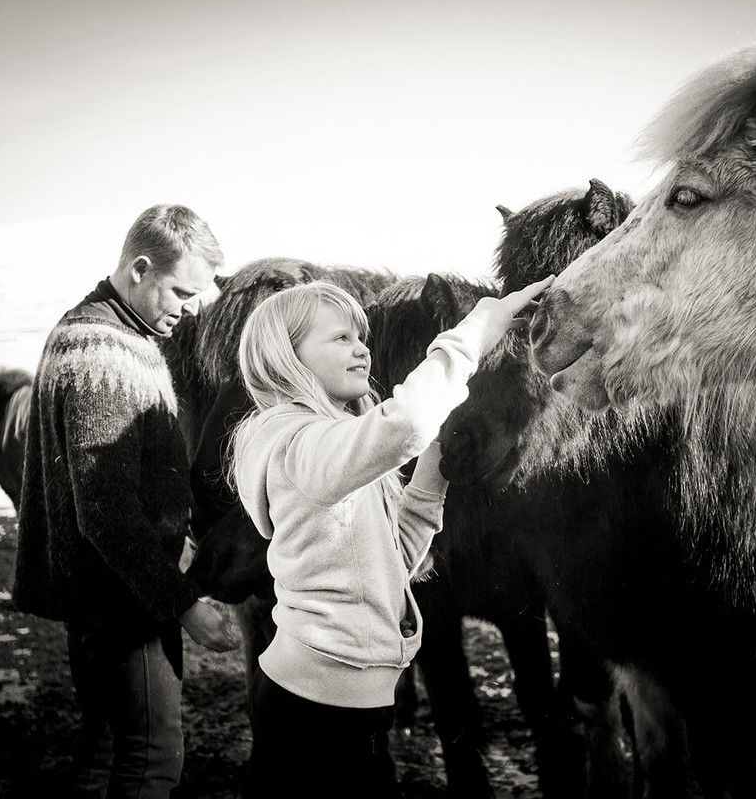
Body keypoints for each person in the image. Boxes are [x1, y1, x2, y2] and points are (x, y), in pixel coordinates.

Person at [230, 275, 554, 797]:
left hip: (353, 706)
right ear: (285, 357)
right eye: (339, 339)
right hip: (315, 712)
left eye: (361, 337)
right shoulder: (295, 444)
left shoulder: (329, 452)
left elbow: (393, 560)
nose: (362, 350)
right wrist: (476, 331)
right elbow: (403, 422)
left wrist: (433, 468)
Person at [12, 203, 238, 798]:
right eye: (180, 291)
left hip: (99, 593)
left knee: (105, 747)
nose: (189, 309)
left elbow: (113, 488)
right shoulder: (102, 357)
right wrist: (185, 605)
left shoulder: (93, 331)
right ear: (140, 268)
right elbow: (105, 513)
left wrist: (174, 531)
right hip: (122, 604)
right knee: (154, 758)